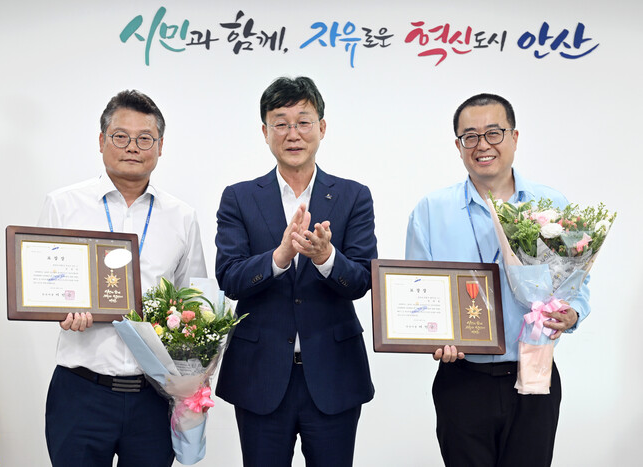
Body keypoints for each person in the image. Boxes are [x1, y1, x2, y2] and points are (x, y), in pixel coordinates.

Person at [405, 93, 590, 467]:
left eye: (494, 133)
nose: (482, 145)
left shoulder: (551, 204)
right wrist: (431, 336)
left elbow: (578, 284)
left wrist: (572, 314)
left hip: (534, 373)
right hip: (461, 378)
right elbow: (416, 293)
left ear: (514, 137)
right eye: (470, 136)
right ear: (458, 146)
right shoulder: (431, 211)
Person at [38, 89, 207, 466]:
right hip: (80, 391)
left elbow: (194, 304)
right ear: (101, 141)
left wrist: (192, 382)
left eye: (145, 138)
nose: (132, 146)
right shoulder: (63, 205)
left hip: (153, 398)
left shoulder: (181, 217)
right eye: (120, 136)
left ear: (160, 147)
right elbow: (44, 284)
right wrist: (60, 309)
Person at [214, 76, 376, 467]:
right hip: (259, 376)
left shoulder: (353, 195)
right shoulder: (239, 197)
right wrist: (280, 256)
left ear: (322, 127)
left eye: (303, 122)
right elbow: (230, 278)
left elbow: (362, 280)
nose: (293, 133)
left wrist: (325, 257)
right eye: (281, 123)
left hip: (334, 374)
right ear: (265, 132)